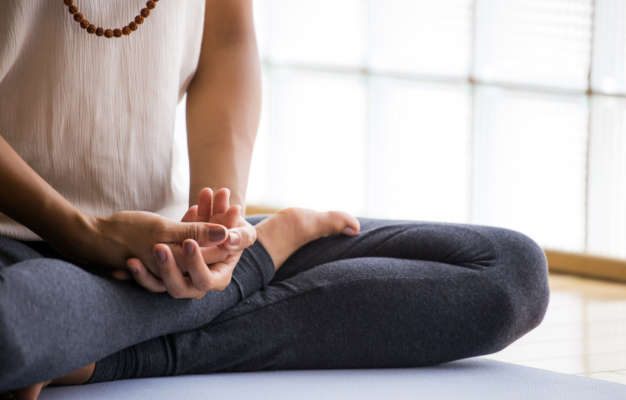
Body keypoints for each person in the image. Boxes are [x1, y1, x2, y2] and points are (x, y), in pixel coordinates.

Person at [0, 1, 550, 399]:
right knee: (10, 324)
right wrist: (86, 234)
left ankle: (83, 350)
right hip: (14, 241)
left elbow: (227, 42)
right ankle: (258, 261)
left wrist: (220, 232)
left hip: (159, 244)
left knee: (508, 272)